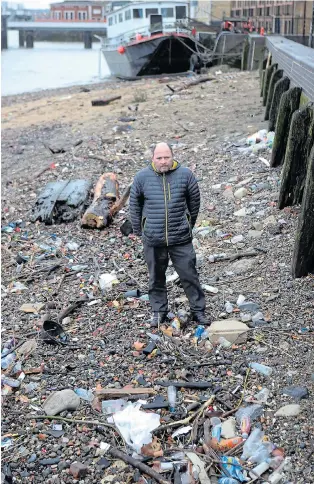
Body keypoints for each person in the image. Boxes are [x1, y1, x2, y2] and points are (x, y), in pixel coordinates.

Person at [129, 142, 209, 328]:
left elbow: (194, 202)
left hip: (180, 238)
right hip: (153, 238)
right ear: (153, 158)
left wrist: (188, 225)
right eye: (159, 158)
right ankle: (159, 312)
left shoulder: (186, 175)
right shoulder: (141, 177)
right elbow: (134, 206)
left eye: (166, 157)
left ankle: (198, 311)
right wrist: (141, 232)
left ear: (172, 157)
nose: (163, 161)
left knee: (189, 275)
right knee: (156, 277)